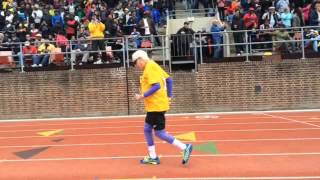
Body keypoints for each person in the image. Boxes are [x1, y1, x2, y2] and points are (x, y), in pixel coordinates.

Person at [132, 50, 193, 165]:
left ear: (140, 59)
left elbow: (157, 86)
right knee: (147, 129)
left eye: (135, 63)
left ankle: (184, 147)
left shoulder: (149, 67)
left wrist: (142, 96)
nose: (135, 66)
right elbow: (169, 80)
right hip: (157, 105)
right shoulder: (154, 65)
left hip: (156, 106)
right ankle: (153, 156)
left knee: (159, 132)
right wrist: (169, 96)